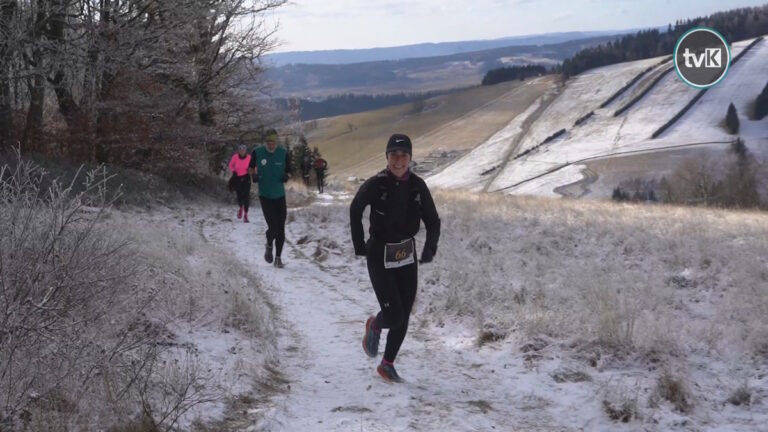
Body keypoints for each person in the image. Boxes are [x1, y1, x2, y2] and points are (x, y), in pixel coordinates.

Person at [349, 133, 440, 383]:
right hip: (379, 253)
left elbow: (433, 221)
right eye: (394, 155)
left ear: (410, 158)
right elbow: (356, 209)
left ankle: (387, 364)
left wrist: (429, 249)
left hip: (406, 255)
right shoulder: (376, 184)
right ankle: (375, 326)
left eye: (403, 155)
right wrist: (360, 246)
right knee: (394, 315)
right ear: (387, 157)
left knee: (404, 315)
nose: (399, 161)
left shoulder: (418, 186)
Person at [249, 129, 292, 268]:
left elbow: (290, 170)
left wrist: (287, 176)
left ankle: (278, 258)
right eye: (268, 142)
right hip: (265, 195)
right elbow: (250, 167)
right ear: (265, 142)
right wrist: (253, 176)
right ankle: (269, 244)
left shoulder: (283, 153)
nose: (271, 145)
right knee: (273, 227)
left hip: (280, 195)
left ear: (276, 142)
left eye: (273, 142)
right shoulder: (257, 152)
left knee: (281, 228)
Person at [228, 143, 252, 222]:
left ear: (246, 151)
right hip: (237, 177)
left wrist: (250, 170)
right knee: (239, 195)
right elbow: (230, 165)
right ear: (239, 150)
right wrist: (234, 171)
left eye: (243, 150)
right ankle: (241, 208)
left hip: (246, 177)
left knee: (246, 196)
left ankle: (246, 215)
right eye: (241, 150)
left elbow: (254, 166)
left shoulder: (249, 158)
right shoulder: (235, 157)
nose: (242, 151)